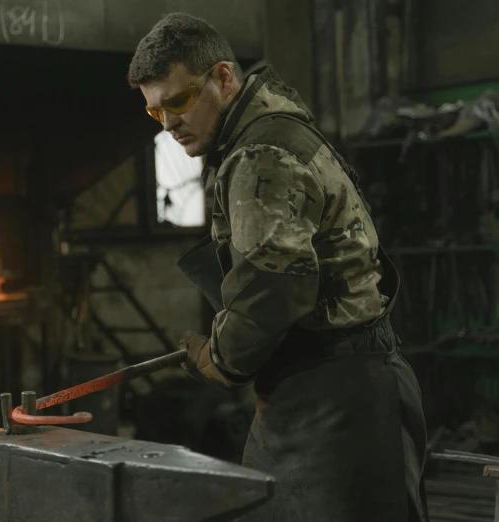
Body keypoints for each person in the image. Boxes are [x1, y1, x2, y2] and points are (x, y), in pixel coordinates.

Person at [127, 13, 428, 522]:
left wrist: (220, 361)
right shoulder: (268, 128)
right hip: (320, 385)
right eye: (155, 113)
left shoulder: (261, 154)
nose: (169, 123)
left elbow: (272, 288)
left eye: (177, 102)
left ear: (223, 78)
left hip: (339, 399)